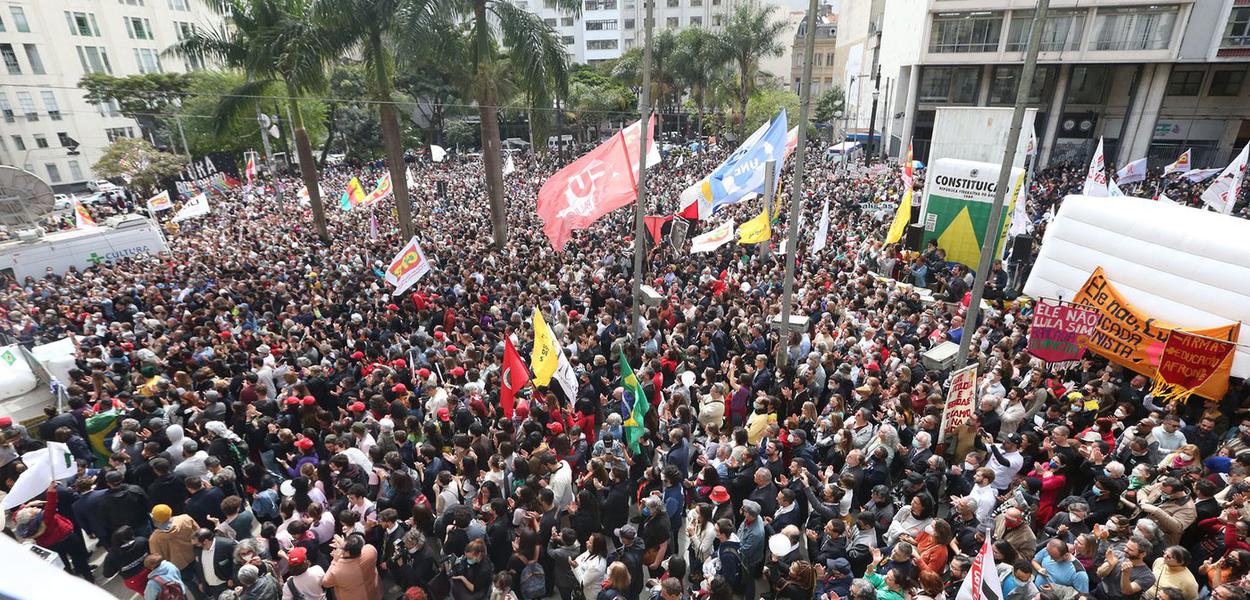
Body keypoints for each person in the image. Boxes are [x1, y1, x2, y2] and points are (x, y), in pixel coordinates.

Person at [323, 534, 382, 600]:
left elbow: (325, 582)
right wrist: (344, 545)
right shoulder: (371, 550)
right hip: (374, 592)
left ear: (348, 552)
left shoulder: (338, 570)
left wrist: (335, 560)